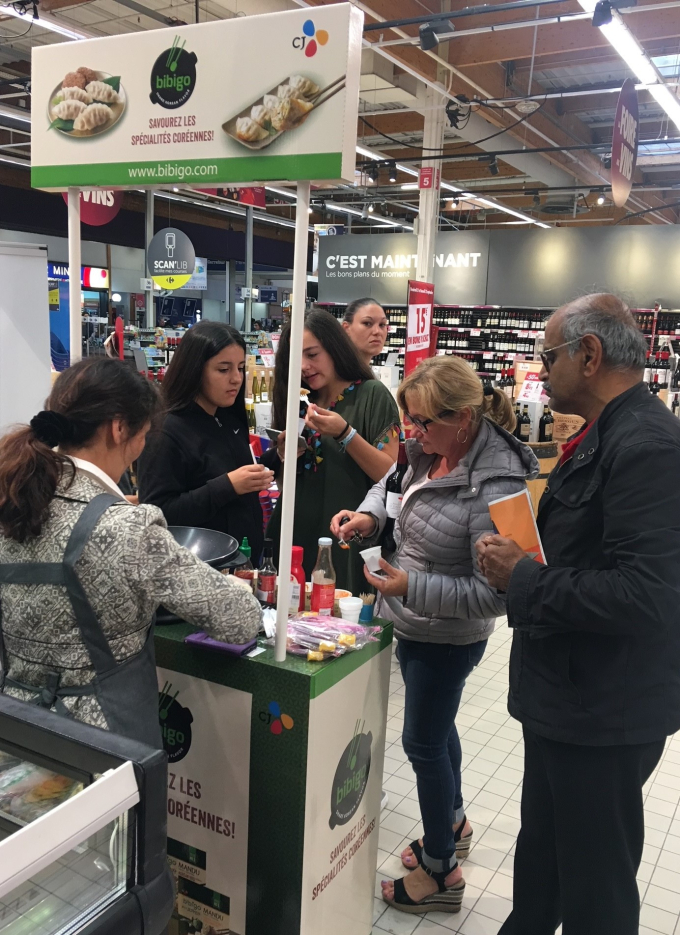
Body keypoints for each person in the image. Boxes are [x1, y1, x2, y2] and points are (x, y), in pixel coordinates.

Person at [476, 294, 680, 935]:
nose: (539, 371)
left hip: (604, 711)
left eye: (547, 356)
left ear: (588, 356)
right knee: (545, 864)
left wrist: (526, 577)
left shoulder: (646, 446)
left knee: (596, 890)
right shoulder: (611, 433)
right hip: (573, 701)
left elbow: (648, 594)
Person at [331, 356, 538, 915]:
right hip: (415, 621)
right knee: (438, 729)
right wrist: (370, 519)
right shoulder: (431, 448)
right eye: (410, 423)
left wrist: (410, 586)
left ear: (464, 417)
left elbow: (499, 593)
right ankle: (453, 822)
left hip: (450, 635)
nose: (413, 434)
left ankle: (442, 870)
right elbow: (390, 483)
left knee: (421, 742)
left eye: (422, 422)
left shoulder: (498, 488)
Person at [0, 358, 261, 747]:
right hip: (104, 745)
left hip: (18, 725)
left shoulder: (14, 499)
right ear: (120, 427)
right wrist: (241, 590)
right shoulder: (129, 527)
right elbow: (239, 622)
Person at [265, 308, 400, 592]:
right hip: (292, 534)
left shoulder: (372, 395)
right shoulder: (297, 400)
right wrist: (284, 455)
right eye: (295, 359)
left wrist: (345, 433)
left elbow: (391, 475)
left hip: (344, 540)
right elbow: (286, 484)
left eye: (312, 354)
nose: (303, 366)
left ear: (335, 348)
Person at [138, 321, 272, 561]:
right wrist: (226, 486)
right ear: (195, 370)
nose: (236, 379)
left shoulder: (227, 418)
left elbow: (241, 478)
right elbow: (158, 512)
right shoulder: (166, 431)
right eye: (223, 369)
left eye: (240, 368)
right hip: (198, 571)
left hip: (240, 565)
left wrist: (279, 456)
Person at [341, 297, 388, 365]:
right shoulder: (335, 372)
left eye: (382, 324)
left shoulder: (364, 373)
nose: (377, 331)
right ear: (346, 328)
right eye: (367, 323)